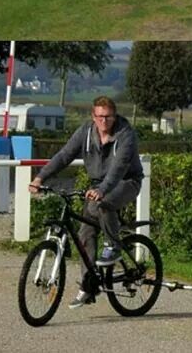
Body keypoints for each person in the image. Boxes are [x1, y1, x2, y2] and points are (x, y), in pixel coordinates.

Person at [29, 96, 143, 309]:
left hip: (127, 181)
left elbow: (118, 169)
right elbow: (64, 156)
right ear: (93, 116)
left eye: (108, 117)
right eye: (99, 116)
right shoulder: (86, 132)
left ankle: (113, 246)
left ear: (115, 116)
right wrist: (40, 178)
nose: (104, 121)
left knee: (104, 203)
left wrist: (101, 190)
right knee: (85, 233)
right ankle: (88, 286)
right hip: (97, 185)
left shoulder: (125, 134)